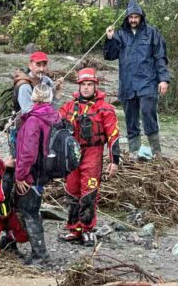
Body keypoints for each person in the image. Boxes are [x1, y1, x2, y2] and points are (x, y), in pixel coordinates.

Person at [59, 68, 120, 247]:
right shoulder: (69, 106)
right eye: (83, 85)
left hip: (93, 153)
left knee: (89, 192)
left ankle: (87, 230)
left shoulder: (104, 108)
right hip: (72, 154)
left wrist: (114, 161)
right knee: (71, 191)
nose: (86, 88)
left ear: (95, 86)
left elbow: (114, 136)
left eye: (89, 85)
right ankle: (74, 229)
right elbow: (55, 127)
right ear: (78, 86)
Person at [104, 0, 170, 158]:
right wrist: (110, 38)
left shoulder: (151, 32)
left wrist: (163, 79)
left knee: (148, 112)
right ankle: (134, 151)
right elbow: (110, 55)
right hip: (127, 84)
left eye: (136, 17)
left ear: (141, 17)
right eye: (131, 17)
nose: (133, 20)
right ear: (127, 18)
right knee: (131, 118)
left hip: (148, 81)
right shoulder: (120, 34)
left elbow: (160, 56)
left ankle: (156, 151)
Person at [15, 83, 61, 264]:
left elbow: (28, 153)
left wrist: (20, 175)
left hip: (31, 174)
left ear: (33, 97)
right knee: (31, 209)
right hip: (45, 172)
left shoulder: (34, 120)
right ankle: (17, 244)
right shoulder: (55, 116)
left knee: (29, 211)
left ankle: (40, 255)